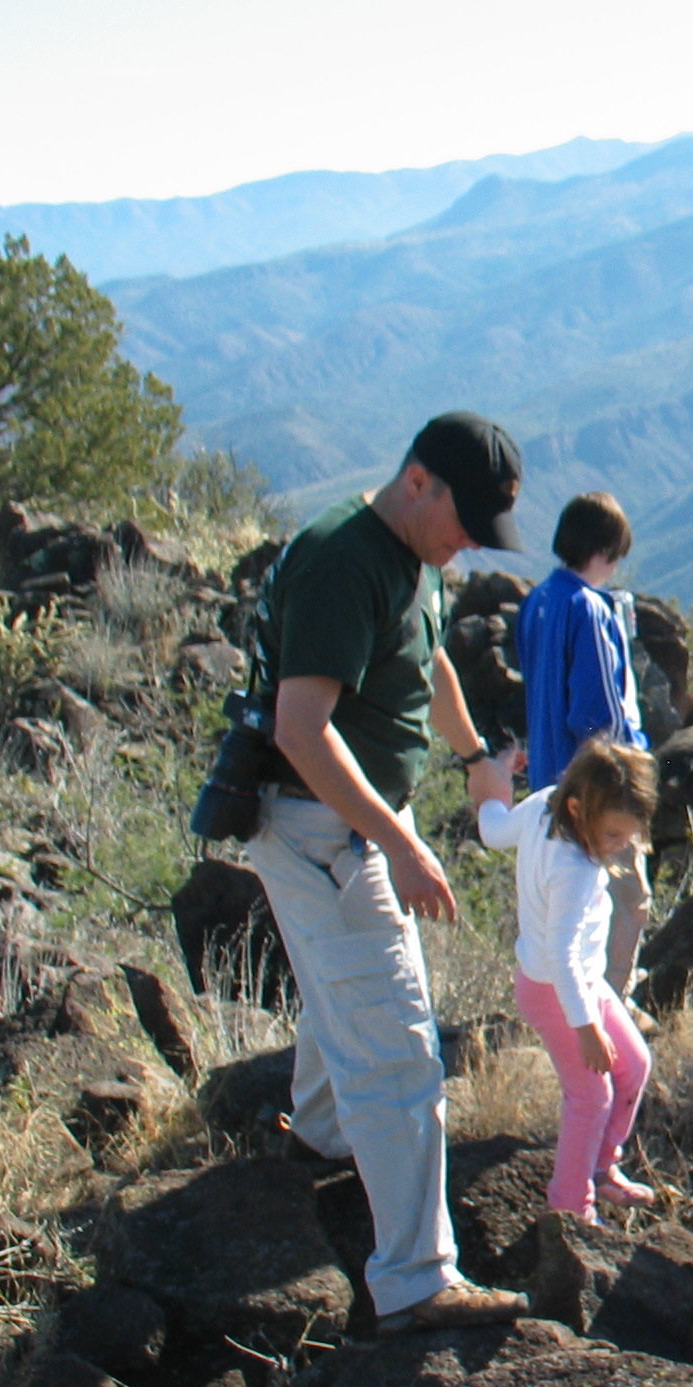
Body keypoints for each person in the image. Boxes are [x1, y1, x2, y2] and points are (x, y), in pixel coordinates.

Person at [243, 411, 531, 1337]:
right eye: (464, 524)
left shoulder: (407, 554)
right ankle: (415, 1281)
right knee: (400, 1052)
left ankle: (320, 1135)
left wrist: (474, 755)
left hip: (353, 825)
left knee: (350, 990)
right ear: (417, 483)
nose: (467, 546)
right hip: (327, 831)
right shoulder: (342, 561)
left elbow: (426, 656)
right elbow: (300, 731)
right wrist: (398, 845)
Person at [473, 736, 658, 1222]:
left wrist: (492, 789)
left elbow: (493, 831)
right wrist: (586, 1028)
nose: (619, 847)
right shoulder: (574, 867)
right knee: (591, 1096)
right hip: (553, 992)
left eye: (627, 836)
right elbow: (560, 955)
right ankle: (572, 1208)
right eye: (612, 834)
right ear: (577, 808)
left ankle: (602, 1166)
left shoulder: (543, 804)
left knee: (634, 1064)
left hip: (582, 983)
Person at [516, 491, 650, 1001]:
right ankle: (609, 1005)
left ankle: (565, 1004)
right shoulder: (590, 609)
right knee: (627, 902)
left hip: (548, 786)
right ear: (607, 550)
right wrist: (635, 763)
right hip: (599, 789)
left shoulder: (537, 601)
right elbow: (600, 717)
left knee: (563, 910)